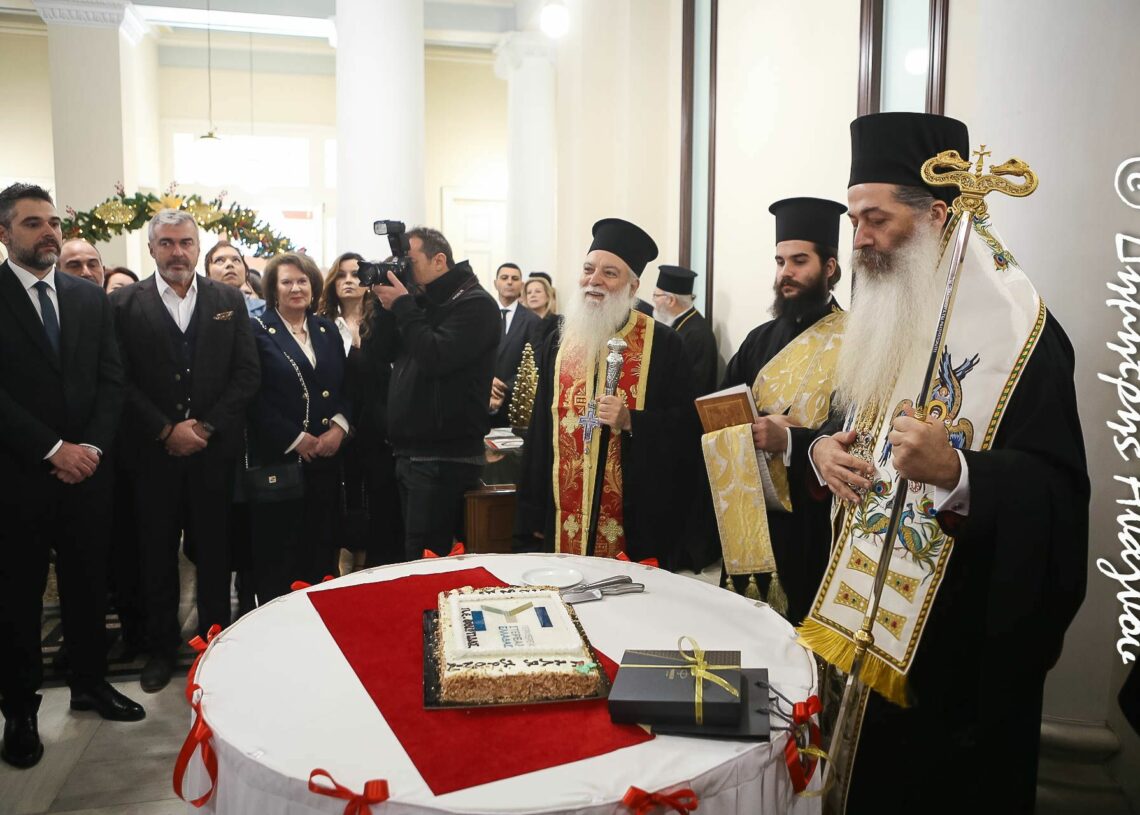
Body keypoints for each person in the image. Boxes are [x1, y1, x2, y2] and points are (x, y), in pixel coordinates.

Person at [798, 113, 1088, 811]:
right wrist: (821, 451)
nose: (859, 238)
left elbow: (1058, 495)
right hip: (858, 632)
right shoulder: (895, 308)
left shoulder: (1026, 341)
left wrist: (960, 474)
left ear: (936, 215)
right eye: (854, 219)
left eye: (876, 219)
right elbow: (850, 424)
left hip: (954, 663)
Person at [0, 183, 144, 770]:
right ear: (4, 233)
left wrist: (90, 448)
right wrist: (53, 448)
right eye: (33, 223)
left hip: (87, 472)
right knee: (18, 597)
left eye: (53, 222)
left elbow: (113, 379)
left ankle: (90, 684)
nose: (49, 233)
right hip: (19, 477)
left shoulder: (87, 297)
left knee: (88, 585)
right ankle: (20, 710)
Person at [110, 209, 260, 693]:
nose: (177, 252)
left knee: (215, 553)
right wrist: (164, 429)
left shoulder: (228, 300)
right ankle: (160, 649)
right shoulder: (123, 304)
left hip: (213, 454)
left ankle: (213, 642)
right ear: (151, 248)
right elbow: (118, 379)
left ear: (198, 247)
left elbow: (246, 373)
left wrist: (207, 427)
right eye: (167, 243)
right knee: (156, 555)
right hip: (151, 457)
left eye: (186, 243)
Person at [514, 218, 702, 568]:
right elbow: (540, 428)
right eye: (588, 269)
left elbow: (689, 426)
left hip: (635, 520)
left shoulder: (664, 344)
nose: (594, 280)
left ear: (633, 286)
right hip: (562, 514)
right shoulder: (558, 340)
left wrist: (633, 421)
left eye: (609, 273)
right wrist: (531, 510)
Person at [712, 197, 847, 623]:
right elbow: (720, 412)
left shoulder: (855, 341)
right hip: (751, 510)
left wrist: (789, 438)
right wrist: (741, 429)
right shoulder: (759, 338)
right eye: (780, 261)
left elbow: (854, 427)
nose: (785, 272)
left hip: (812, 518)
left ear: (829, 267)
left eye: (799, 261)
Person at [371, 227, 500, 558]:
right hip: (410, 453)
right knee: (412, 554)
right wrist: (386, 308)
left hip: (444, 458)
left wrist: (404, 306)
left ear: (439, 260)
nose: (403, 270)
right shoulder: (422, 301)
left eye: (409, 262)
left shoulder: (476, 304)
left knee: (428, 558)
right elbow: (380, 353)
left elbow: (436, 357)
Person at [247, 253, 349, 600]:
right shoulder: (257, 330)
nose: (296, 288)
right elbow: (252, 396)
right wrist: (295, 438)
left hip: (327, 461)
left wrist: (339, 428)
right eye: (287, 282)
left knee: (322, 554)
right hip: (280, 462)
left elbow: (345, 387)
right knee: (279, 559)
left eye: (302, 281)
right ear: (272, 289)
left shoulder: (326, 329)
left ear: (313, 286)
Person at [319, 252, 402, 569]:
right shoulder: (321, 324)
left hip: (376, 428)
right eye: (341, 275)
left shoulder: (381, 321)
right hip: (332, 427)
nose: (349, 281)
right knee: (341, 504)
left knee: (378, 503)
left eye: (356, 274)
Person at [651, 265, 718, 394]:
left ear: (671, 300)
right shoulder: (677, 322)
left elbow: (693, 387)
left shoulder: (698, 335)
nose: (653, 301)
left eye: (656, 295)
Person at [490, 262, 542, 427]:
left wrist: (502, 388)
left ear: (522, 284)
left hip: (516, 403)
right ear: (495, 283)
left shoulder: (533, 321)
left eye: (514, 278)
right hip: (481, 396)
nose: (509, 282)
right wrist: (486, 382)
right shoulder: (482, 314)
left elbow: (535, 362)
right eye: (504, 278)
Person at [205, 240, 265, 316]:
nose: (229, 264)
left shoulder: (266, 311)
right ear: (208, 274)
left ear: (245, 271)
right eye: (219, 260)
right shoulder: (196, 310)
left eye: (236, 260)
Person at [525, 271, 562, 346]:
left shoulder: (559, 322)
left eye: (538, 291)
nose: (533, 295)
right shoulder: (521, 322)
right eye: (529, 292)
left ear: (548, 296)